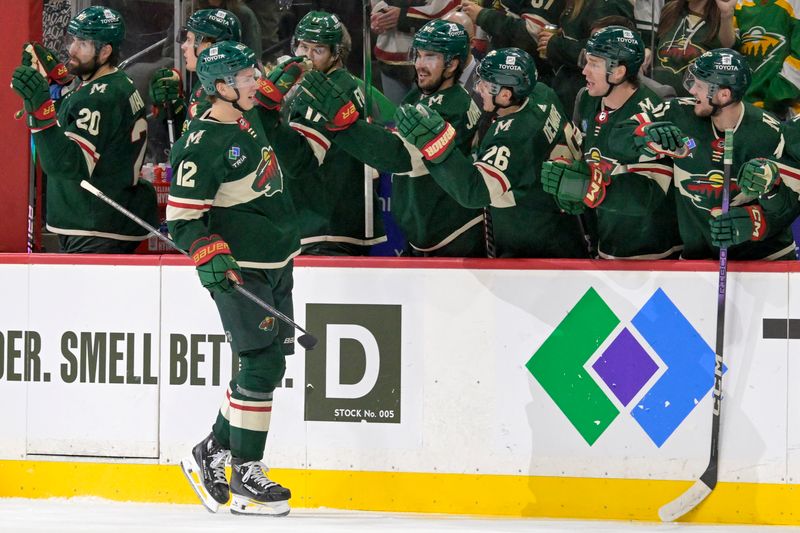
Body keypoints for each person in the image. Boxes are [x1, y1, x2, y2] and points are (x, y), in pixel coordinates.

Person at [169, 41, 311, 516]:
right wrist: (207, 251)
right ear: (221, 87)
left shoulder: (245, 119)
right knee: (262, 365)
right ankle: (246, 473)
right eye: (247, 77)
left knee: (266, 365)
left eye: (254, 74)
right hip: (240, 271)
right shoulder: (202, 142)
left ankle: (214, 449)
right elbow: (183, 219)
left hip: (275, 262)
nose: (257, 82)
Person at [294, 18, 486, 257]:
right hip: (425, 235)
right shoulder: (420, 94)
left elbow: (401, 157)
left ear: (452, 64)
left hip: (454, 235)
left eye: (431, 57)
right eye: (419, 54)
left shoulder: (455, 105)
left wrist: (345, 124)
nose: (419, 64)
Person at [391, 47, 589, 258]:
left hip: (534, 243)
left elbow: (475, 192)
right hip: (563, 226)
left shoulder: (514, 137)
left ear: (505, 94)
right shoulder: (541, 92)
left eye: (485, 85)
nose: (478, 89)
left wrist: (437, 145)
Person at [610, 49, 800, 259]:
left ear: (723, 94)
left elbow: (788, 206)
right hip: (698, 259)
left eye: (699, 86)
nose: (692, 91)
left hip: (766, 260)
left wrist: (756, 221)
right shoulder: (677, 112)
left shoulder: (769, 132)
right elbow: (616, 138)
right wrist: (643, 135)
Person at [11, 6, 157, 254]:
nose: (72, 50)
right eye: (74, 40)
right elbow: (84, 125)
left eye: (84, 44)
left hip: (93, 225)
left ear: (105, 51)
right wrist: (63, 88)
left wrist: (41, 110)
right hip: (108, 219)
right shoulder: (116, 82)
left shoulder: (97, 99)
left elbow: (67, 164)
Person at [541, 26, 683, 260]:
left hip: (654, 253)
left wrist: (589, 188)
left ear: (617, 72)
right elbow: (584, 155)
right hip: (606, 243)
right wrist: (571, 183)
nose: (584, 70)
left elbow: (649, 196)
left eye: (594, 64)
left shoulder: (654, 109)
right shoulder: (587, 98)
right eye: (586, 61)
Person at [286, 10, 387, 255]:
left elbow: (296, 161)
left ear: (336, 53)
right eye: (302, 47)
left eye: (317, 50)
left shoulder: (325, 91)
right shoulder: (354, 85)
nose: (307, 58)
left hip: (326, 224)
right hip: (342, 223)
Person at [149, 9, 242, 134]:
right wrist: (175, 106)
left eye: (189, 40)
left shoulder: (227, 94)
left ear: (208, 48)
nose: (183, 46)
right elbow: (190, 136)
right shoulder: (207, 81)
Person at [536, 0, 634, 116]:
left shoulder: (605, 5)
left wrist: (556, 44)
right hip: (571, 90)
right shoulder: (574, 5)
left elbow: (609, 49)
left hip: (589, 93)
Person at [371, 0, 461, 105]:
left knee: (425, 113)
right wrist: (379, 16)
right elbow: (379, 4)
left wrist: (405, 16)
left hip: (430, 56)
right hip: (390, 53)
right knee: (395, 115)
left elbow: (448, 12)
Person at [652, 0, 736, 97]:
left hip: (694, 100)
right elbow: (654, 41)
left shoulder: (723, 14)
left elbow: (728, 45)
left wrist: (726, 15)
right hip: (656, 96)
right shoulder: (669, 10)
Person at [734, 0, 800, 118]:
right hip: (744, 110)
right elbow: (731, 56)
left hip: (788, 112)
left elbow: (798, 60)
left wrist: (774, 100)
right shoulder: (737, 5)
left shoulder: (794, 5)